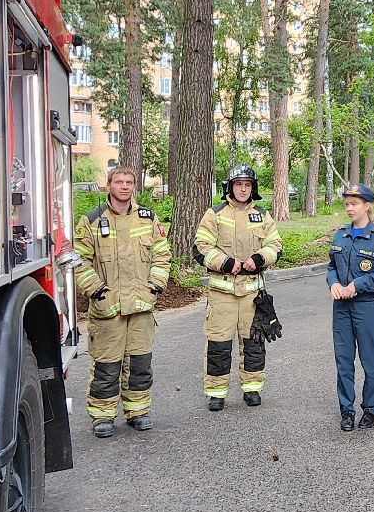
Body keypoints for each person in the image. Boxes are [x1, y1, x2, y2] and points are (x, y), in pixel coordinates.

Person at [72, 167, 169, 437]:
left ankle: (138, 411)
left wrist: (155, 287)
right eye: (119, 182)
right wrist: (96, 290)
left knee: (139, 364)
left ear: (134, 186)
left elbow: (162, 256)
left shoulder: (148, 219)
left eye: (129, 182)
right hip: (107, 308)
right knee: (106, 365)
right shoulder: (91, 221)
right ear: (108, 185)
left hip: (141, 307)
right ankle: (102, 416)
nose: (124, 187)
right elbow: (79, 262)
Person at [193, 164, 283, 410]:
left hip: (252, 293)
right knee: (219, 344)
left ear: (253, 188)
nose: (243, 189)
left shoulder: (262, 215)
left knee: (253, 341)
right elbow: (201, 247)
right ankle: (217, 392)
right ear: (229, 187)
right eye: (238, 184)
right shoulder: (215, 213)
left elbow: (275, 245)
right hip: (222, 293)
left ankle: (252, 389)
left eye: (247, 185)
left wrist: (259, 258)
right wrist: (225, 263)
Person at [328, 184, 374, 432]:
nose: (349, 208)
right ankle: (347, 410)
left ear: (367, 205)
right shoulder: (340, 235)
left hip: (368, 307)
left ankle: (370, 409)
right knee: (343, 361)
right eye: (347, 204)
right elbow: (331, 266)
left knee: (370, 361)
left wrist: (358, 284)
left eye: (354, 204)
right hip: (342, 308)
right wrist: (333, 283)